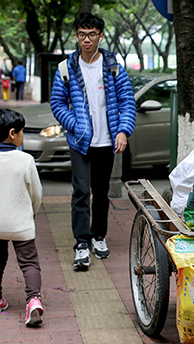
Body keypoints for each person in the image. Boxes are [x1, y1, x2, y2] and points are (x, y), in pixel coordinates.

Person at [50, 12, 136, 270]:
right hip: (80, 142)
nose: (86, 40)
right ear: (76, 36)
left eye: (91, 34)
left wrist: (123, 131)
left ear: (100, 36)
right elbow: (57, 103)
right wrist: (75, 125)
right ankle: (81, 243)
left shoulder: (113, 67)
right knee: (80, 191)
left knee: (101, 193)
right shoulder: (66, 68)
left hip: (106, 142)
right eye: (82, 34)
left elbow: (127, 101)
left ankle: (98, 235)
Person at [0, 109, 44, 326]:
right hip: (21, 224)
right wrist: (32, 212)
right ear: (12, 133)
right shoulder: (25, 160)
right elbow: (36, 193)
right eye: (22, 131)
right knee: (29, 263)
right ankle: (33, 300)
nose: (23, 135)